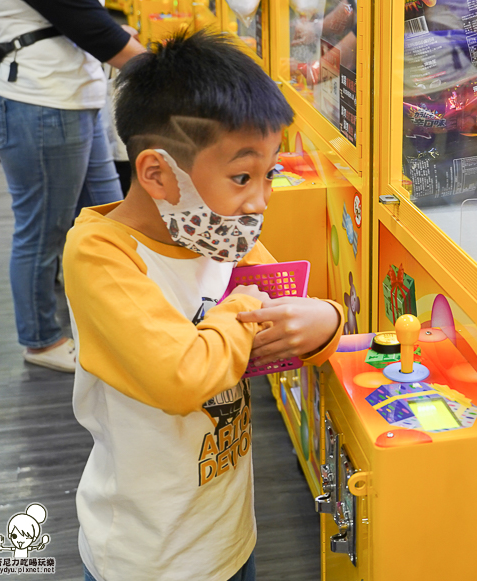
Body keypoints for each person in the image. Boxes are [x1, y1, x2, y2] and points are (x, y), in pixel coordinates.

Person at [62, 30, 343, 581]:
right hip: (148, 556)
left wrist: (324, 321)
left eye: (270, 174)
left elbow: (282, 325)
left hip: (228, 534)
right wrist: (243, 306)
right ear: (158, 174)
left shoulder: (222, 234)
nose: (260, 200)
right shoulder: (102, 256)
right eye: (241, 176)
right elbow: (181, 376)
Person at [0, 0, 146, 373]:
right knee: (42, 230)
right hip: (37, 100)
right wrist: (167, 71)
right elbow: (88, 24)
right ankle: (40, 340)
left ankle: (115, 321)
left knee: (112, 218)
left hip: (71, 94)